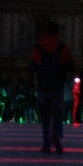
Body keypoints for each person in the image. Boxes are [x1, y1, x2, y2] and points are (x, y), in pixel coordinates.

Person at [29, 21, 73, 154]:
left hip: (42, 86)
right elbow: (71, 66)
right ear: (58, 32)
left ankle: (46, 144)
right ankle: (56, 135)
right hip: (58, 87)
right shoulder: (62, 47)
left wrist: (32, 82)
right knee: (57, 114)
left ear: (45, 31)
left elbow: (32, 67)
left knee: (45, 116)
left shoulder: (39, 47)